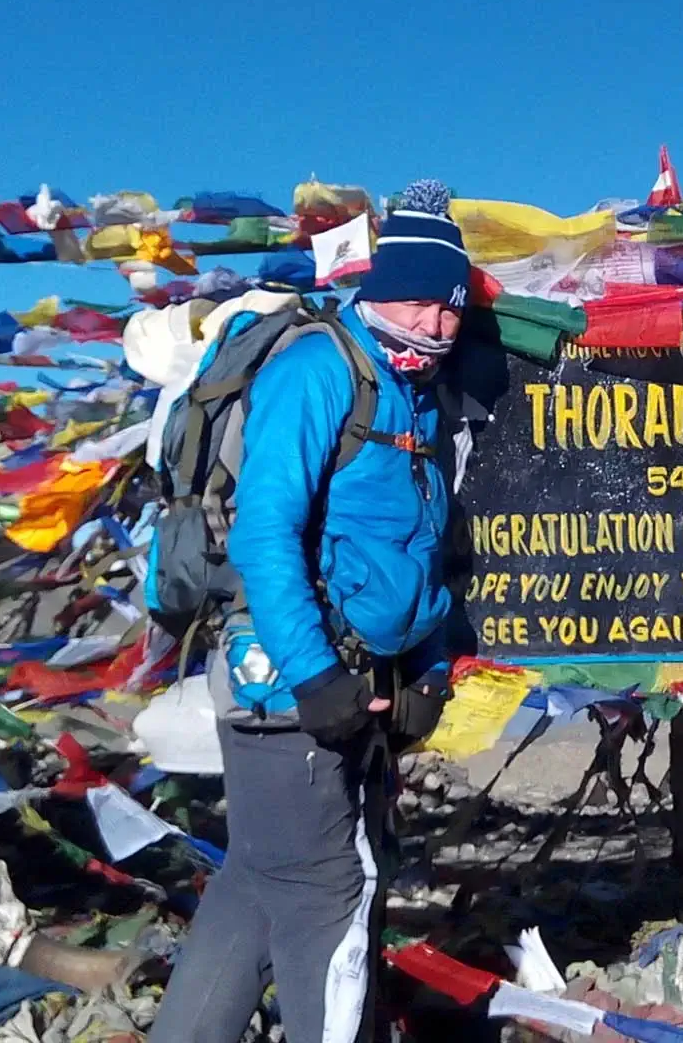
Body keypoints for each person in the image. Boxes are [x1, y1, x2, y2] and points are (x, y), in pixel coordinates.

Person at [149, 182, 470, 1043]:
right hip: (292, 685)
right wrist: (319, 675)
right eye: (419, 302)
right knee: (331, 899)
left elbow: (418, 546)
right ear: (377, 289)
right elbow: (265, 534)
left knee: (256, 886)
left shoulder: (413, 397)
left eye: (451, 308)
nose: (437, 326)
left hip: (346, 678)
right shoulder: (319, 370)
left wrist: (427, 668)